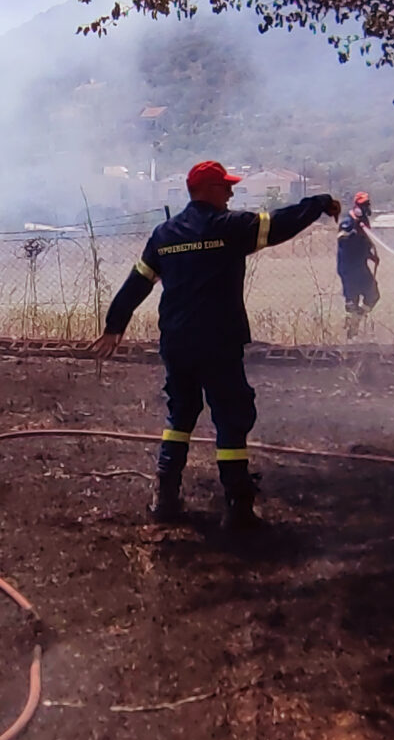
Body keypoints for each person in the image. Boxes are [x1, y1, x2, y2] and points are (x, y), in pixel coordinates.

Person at [90, 162, 339, 529]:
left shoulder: (164, 234)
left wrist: (114, 325)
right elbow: (280, 224)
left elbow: (137, 282)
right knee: (231, 416)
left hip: (177, 341)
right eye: (226, 186)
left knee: (181, 412)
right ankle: (238, 505)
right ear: (208, 189)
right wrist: (318, 203)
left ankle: (166, 495)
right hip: (219, 340)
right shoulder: (230, 228)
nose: (231, 193)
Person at [336, 191, 381, 338]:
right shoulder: (348, 221)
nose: (366, 207)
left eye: (367, 204)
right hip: (348, 268)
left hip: (360, 266)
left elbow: (365, 242)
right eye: (363, 205)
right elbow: (342, 238)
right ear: (357, 205)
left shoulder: (364, 221)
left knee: (373, 294)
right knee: (352, 300)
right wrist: (352, 234)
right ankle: (350, 334)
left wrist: (371, 255)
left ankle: (358, 318)